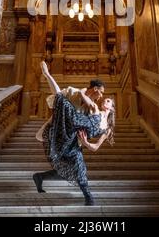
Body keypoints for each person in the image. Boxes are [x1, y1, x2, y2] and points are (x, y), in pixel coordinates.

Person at [33, 61, 115, 206]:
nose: (102, 96)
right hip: (61, 130)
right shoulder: (90, 104)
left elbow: (95, 146)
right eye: (102, 93)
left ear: (112, 109)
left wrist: (86, 143)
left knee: (72, 169)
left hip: (74, 139)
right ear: (95, 89)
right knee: (61, 99)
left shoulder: (103, 121)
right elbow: (58, 94)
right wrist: (47, 75)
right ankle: (89, 198)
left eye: (107, 99)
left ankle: (40, 177)